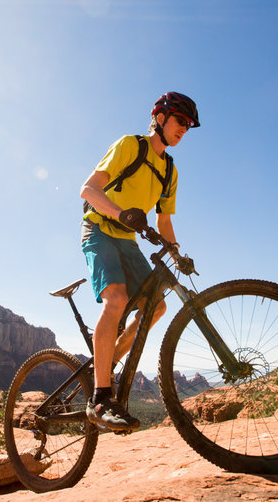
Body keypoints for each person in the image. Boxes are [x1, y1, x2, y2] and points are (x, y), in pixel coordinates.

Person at [79, 91, 200, 432]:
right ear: (160, 118)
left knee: (156, 307)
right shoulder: (131, 146)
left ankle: (105, 364)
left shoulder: (169, 170)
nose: (184, 130)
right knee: (116, 299)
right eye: (180, 121)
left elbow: (163, 223)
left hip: (128, 239)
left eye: (189, 126)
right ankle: (101, 398)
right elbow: (88, 190)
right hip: (99, 229)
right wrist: (121, 214)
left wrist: (178, 254)